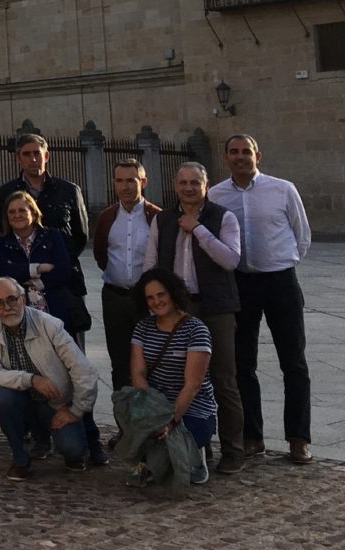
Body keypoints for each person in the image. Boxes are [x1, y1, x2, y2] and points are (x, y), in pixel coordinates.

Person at [209, 133, 314, 465]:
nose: (240, 157)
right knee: (242, 364)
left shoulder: (282, 189)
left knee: (293, 360)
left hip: (280, 280)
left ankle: (298, 438)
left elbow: (302, 235)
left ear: (258, 155)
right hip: (239, 284)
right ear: (225, 157)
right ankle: (253, 436)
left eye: (246, 152)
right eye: (234, 152)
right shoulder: (216, 194)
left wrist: (282, 262)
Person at [143, 162, 244, 475]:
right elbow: (152, 263)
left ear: (205, 185)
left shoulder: (222, 217)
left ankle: (233, 449)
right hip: (178, 311)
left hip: (216, 307)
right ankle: (199, 447)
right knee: (183, 381)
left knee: (224, 379)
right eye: (183, 182)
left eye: (195, 183)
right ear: (175, 185)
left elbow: (230, 259)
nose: (188, 188)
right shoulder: (163, 219)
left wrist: (198, 229)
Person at [0, 189, 107, 466]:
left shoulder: (52, 236)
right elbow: (5, 270)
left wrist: (30, 275)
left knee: (71, 372)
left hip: (56, 317)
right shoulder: (3, 244)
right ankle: (41, 436)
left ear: (33, 212)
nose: (18, 216)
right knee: (30, 375)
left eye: (23, 210)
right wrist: (38, 269)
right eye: (12, 212)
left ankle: (91, 440)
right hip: (21, 321)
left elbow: (63, 271)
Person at [0, 277, 99, 481]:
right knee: (3, 397)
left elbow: (84, 370)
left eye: (12, 299)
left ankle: (67, 442)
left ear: (23, 299)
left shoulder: (50, 325)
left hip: (56, 403)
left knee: (72, 450)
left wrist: (75, 410)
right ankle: (20, 459)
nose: (7, 307)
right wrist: (32, 379)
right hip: (24, 399)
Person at [0, 134, 91, 344]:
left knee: (71, 353)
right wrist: (35, 270)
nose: (33, 159)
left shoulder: (69, 190)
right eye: (26, 154)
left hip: (65, 285)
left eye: (37, 154)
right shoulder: (5, 192)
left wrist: (59, 265)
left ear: (46, 156)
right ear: (18, 158)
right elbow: (4, 238)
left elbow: (81, 236)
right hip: (21, 290)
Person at [131, 267, 217, 486]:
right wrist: (151, 412)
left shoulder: (196, 330)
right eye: (150, 298)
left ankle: (195, 460)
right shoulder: (143, 328)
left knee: (172, 449)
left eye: (161, 294)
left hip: (192, 407)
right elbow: (138, 373)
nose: (156, 301)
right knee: (147, 442)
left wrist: (170, 421)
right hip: (156, 403)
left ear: (173, 293)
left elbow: (193, 385)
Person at [92, 157, 161, 392]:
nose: (125, 186)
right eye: (119, 181)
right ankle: (125, 423)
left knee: (151, 361)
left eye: (131, 180)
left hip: (148, 300)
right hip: (115, 299)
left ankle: (153, 423)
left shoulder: (156, 218)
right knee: (120, 363)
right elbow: (101, 255)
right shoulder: (106, 218)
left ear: (143, 182)